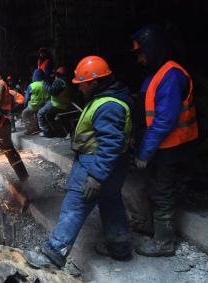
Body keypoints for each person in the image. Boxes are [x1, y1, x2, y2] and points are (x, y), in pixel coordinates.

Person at [36, 56, 132, 268]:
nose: (79, 88)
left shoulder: (108, 106)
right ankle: (119, 246)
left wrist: (96, 176)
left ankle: (52, 254)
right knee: (111, 202)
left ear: (95, 82)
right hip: (112, 167)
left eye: (83, 84)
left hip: (94, 164)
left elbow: (110, 144)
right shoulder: (109, 98)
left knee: (74, 207)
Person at [131, 25, 198, 257]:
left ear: (154, 48)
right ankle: (151, 227)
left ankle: (164, 243)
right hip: (161, 145)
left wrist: (145, 152)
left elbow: (164, 121)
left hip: (170, 145)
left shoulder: (170, 75)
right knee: (153, 186)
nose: (139, 59)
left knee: (162, 191)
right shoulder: (157, 74)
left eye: (142, 53)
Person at [37, 66, 74, 137]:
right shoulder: (66, 80)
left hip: (57, 104)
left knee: (40, 113)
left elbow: (52, 92)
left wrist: (45, 84)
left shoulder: (59, 81)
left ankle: (46, 132)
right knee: (49, 115)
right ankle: (56, 130)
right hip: (64, 103)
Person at [21, 69, 49, 135]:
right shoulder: (45, 83)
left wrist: (25, 106)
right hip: (44, 105)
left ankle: (30, 130)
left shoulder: (31, 85)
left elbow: (27, 98)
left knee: (24, 113)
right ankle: (38, 127)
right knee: (36, 114)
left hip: (33, 106)